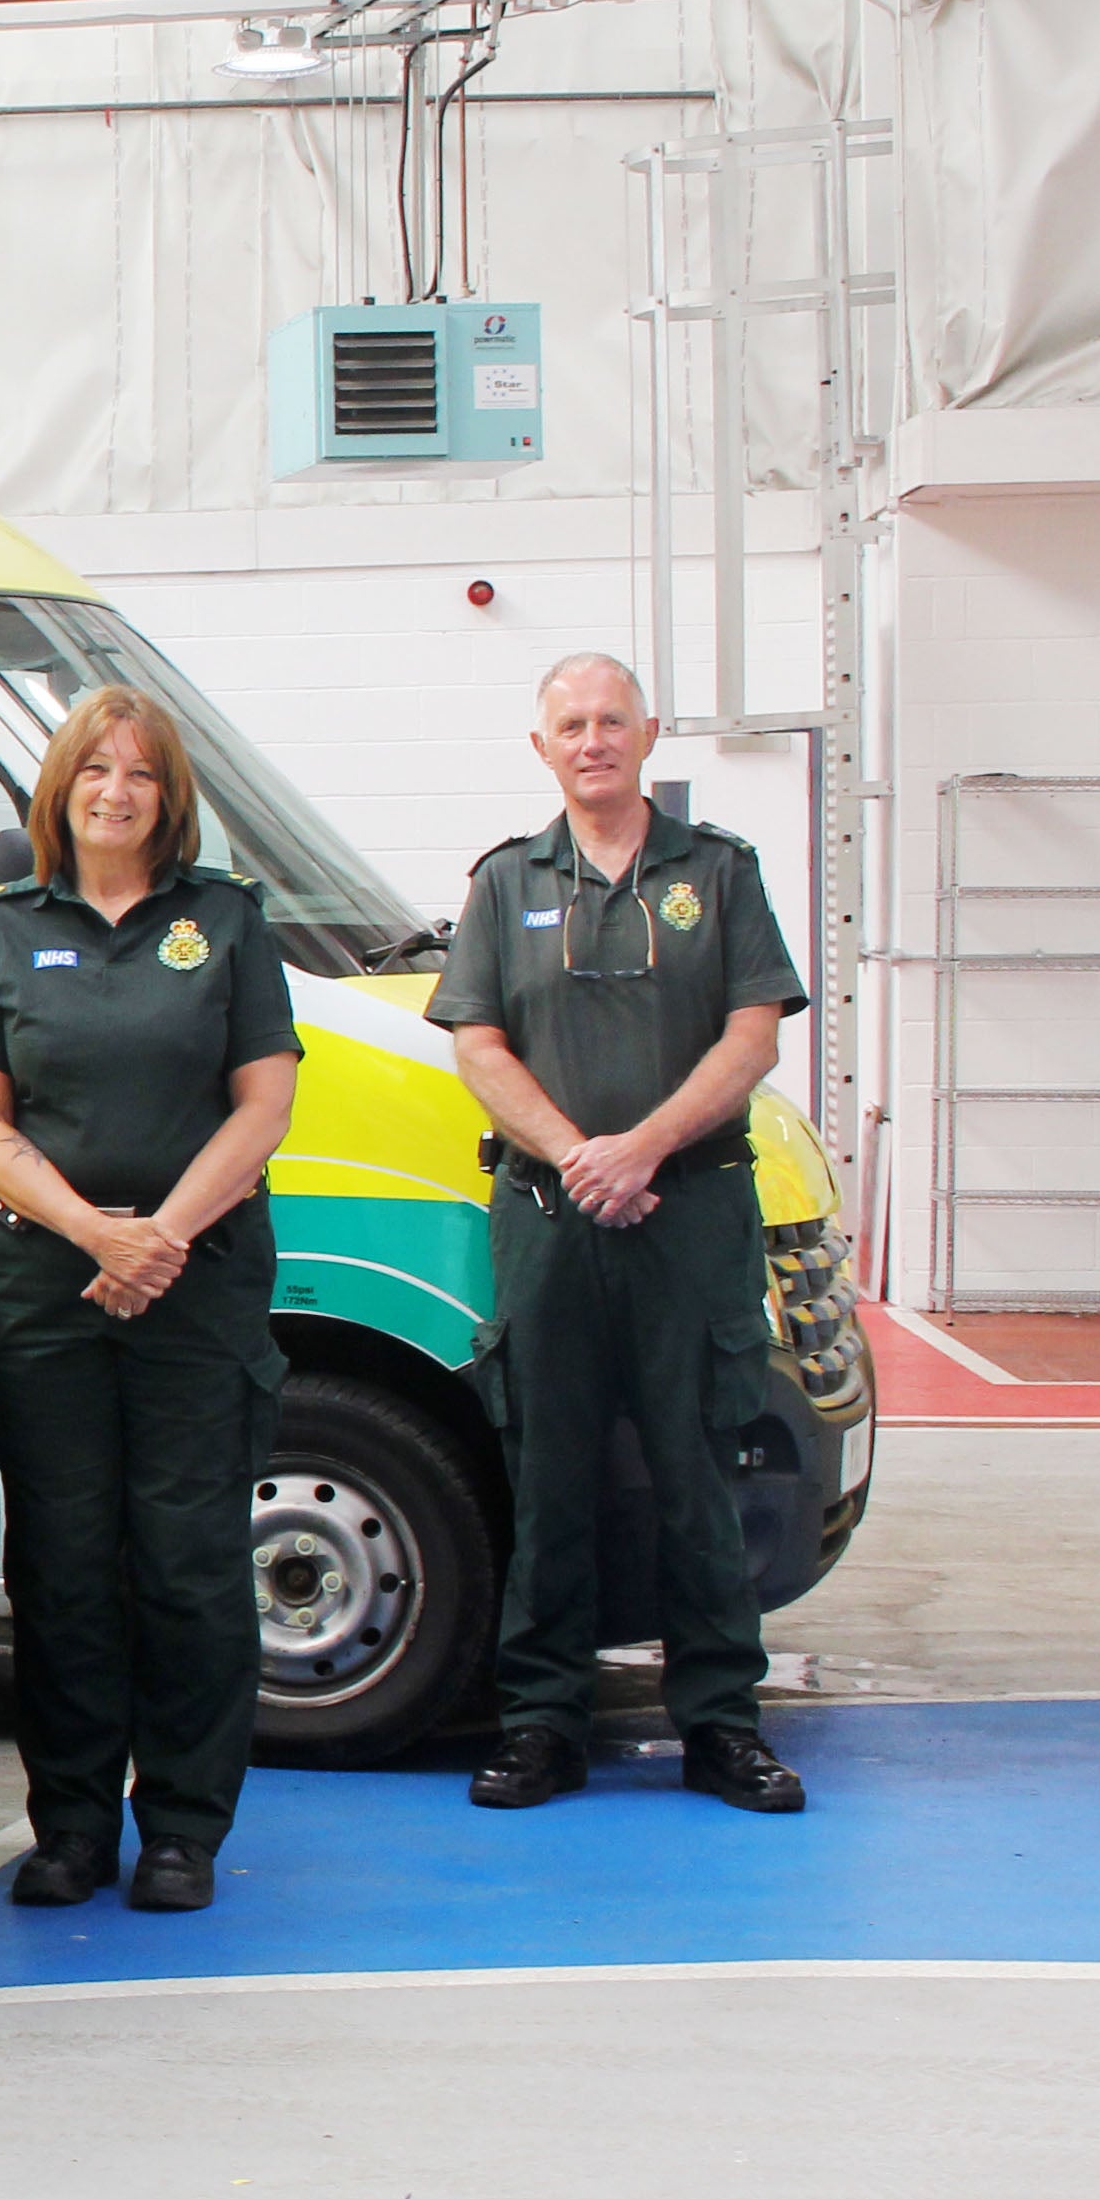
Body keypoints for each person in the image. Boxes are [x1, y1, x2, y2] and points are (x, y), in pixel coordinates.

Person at [427, 653, 811, 1815]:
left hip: (688, 1215)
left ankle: (720, 1727)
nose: (591, 739)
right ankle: (542, 1725)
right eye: (569, 724)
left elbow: (753, 1037)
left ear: (647, 734)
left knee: (698, 1473)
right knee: (550, 1477)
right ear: (540, 747)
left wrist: (640, 1147)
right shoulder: (505, 883)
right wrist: (578, 1155)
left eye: (610, 720)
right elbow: (479, 1045)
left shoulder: (718, 873)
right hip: (551, 1220)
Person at [0, 689, 300, 1915]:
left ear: (169, 796)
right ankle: (73, 1826)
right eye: (93, 768)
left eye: (139, 773)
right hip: (47, 1278)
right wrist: (95, 1230)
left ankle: (183, 1829)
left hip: (195, 1278)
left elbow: (262, 1103)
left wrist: (160, 1237)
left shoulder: (227, 922)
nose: (114, 789)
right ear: (58, 788)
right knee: (64, 1562)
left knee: (190, 1559)